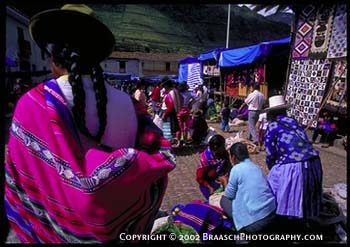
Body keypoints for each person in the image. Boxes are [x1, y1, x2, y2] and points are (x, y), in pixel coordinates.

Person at [4, 4, 175, 243]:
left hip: (54, 234)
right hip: (117, 229)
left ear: (52, 57)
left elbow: (21, 180)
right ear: (98, 58)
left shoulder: (33, 105)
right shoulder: (130, 106)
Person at [264, 95, 323, 223]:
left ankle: (287, 220)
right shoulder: (293, 122)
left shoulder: (273, 126)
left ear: (271, 113)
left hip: (293, 164)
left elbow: (269, 151)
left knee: (283, 192)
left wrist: (271, 166)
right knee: (304, 195)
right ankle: (304, 220)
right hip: (313, 161)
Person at [220, 142, 276, 233]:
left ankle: (239, 229)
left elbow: (229, 195)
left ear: (233, 157)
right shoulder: (256, 167)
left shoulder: (236, 169)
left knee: (223, 200)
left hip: (255, 222)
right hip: (271, 211)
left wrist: (224, 181)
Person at [196, 135, 231, 199]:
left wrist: (226, 174)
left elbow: (228, 166)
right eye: (222, 148)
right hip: (208, 183)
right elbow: (199, 178)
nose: (223, 149)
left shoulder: (224, 154)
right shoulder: (206, 159)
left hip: (219, 178)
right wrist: (209, 187)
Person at [175, 82, 193, 147]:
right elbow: (196, 98)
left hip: (179, 110)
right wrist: (190, 102)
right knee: (185, 127)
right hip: (186, 110)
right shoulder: (189, 93)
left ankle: (178, 141)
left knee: (179, 127)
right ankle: (185, 141)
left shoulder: (178, 93)